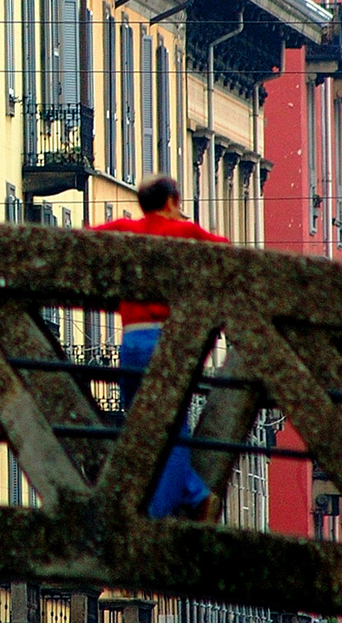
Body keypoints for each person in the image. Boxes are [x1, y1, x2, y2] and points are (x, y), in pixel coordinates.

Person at [93, 174, 227, 519]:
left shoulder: (126, 229)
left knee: (137, 422)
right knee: (174, 426)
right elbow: (225, 251)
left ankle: (187, 496)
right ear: (171, 202)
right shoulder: (184, 232)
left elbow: (82, 241)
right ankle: (165, 511)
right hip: (168, 342)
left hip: (132, 341)